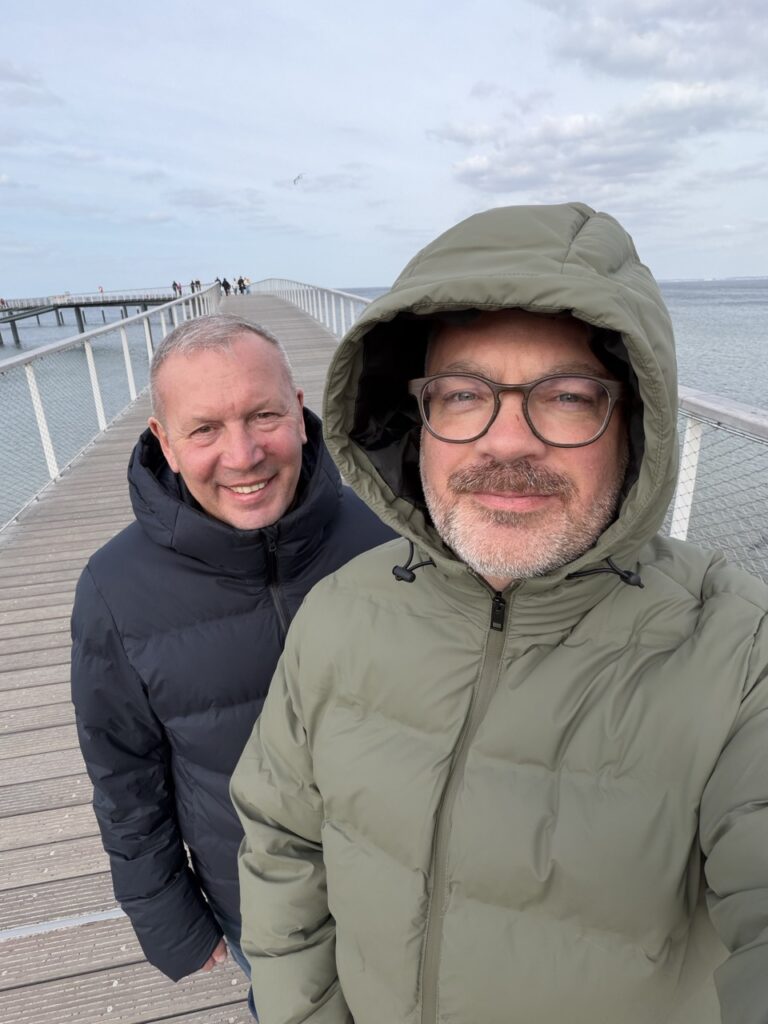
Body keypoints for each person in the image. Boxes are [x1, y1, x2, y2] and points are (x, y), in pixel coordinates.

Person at [231, 203, 768, 1024]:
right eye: (462, 394)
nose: (506, 443)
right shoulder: (340, 614)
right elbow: (281, 844)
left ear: (636, 424)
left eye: (565, 397)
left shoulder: (737, 649)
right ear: (417, 423)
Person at [70, 314, 392, 1004]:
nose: (243, 454)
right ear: (165, 441)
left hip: (406, 882)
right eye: (205, 428)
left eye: (263, 415)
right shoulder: (116, 587)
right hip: (255, 906)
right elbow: (123, 772)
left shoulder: (386, 539)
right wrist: (170, 916)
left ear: (301, 415)